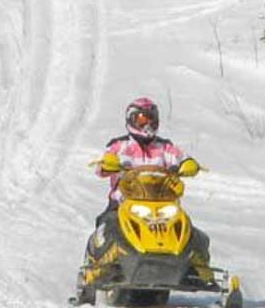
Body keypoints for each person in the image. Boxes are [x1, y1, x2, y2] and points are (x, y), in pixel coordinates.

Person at [77, 96, 211, 289]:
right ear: (131, 120)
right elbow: (101, 167)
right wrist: (109, 163)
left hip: (162, 205)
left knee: (190, 232)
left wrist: (188, 165)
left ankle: (205, 274)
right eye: (142, 119)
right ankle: (91, 276)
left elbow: (182, 158)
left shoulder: (165, 147)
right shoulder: (119, 145)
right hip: (124, 204)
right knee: (109, 228)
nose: (147, 124)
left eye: (151, 119)